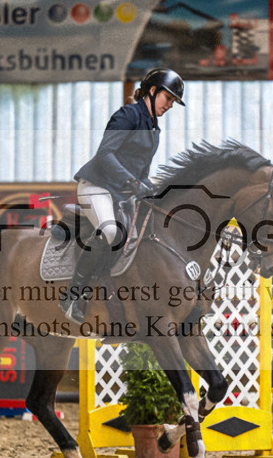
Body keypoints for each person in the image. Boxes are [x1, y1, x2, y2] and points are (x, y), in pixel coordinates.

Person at [59, 67, 185, 323]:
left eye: (173, 101)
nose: (170, 105)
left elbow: (143, 172)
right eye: (168, 98)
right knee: (111, 232)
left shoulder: (154, 130)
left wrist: (156, 190)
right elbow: (105, 154)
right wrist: (131, 181)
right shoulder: (128, 115)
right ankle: (72, 294)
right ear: (152, 91)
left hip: (121, 195)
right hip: (96, 187)